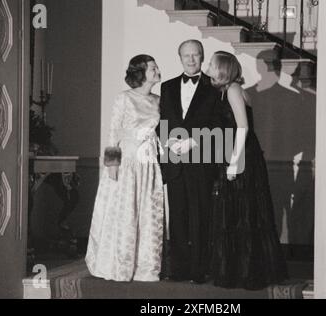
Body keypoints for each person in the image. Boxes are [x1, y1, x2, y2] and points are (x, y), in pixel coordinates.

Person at [207, 51, 288, 290]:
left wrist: (234, 162)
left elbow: (242, 126)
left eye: (212, 63)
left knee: (243, 214)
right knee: (239, 213)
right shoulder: (227, 90)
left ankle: (244, 274)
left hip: (240, 156)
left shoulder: (232, 89)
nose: (208, 66)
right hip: (236, 153)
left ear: (222, 68)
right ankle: (240, 272)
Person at [86, 55, 164, 282]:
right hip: (127, 163)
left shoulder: (159, 100)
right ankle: (119, 264)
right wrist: (112, 164)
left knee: (148, 212)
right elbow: (113, 132)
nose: (158, 70)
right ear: (140, 72)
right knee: (125, 211)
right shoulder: (124, 99)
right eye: (152, 68)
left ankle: (145, 267)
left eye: (156, 66)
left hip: (149, 164)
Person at [158, 40, 220, 283]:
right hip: (174, 161)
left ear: (202, 57)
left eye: (196, 55)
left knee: (201, 215)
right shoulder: (167, 87)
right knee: (178, 217)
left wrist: (194, 142)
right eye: (187, 55)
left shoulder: (215, 86)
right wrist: (169, 143)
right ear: (179, 57)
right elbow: (163, 120)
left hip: (201, 160)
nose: (191, 60)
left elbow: (218, 123)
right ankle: (179, 269)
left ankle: (199, 270)